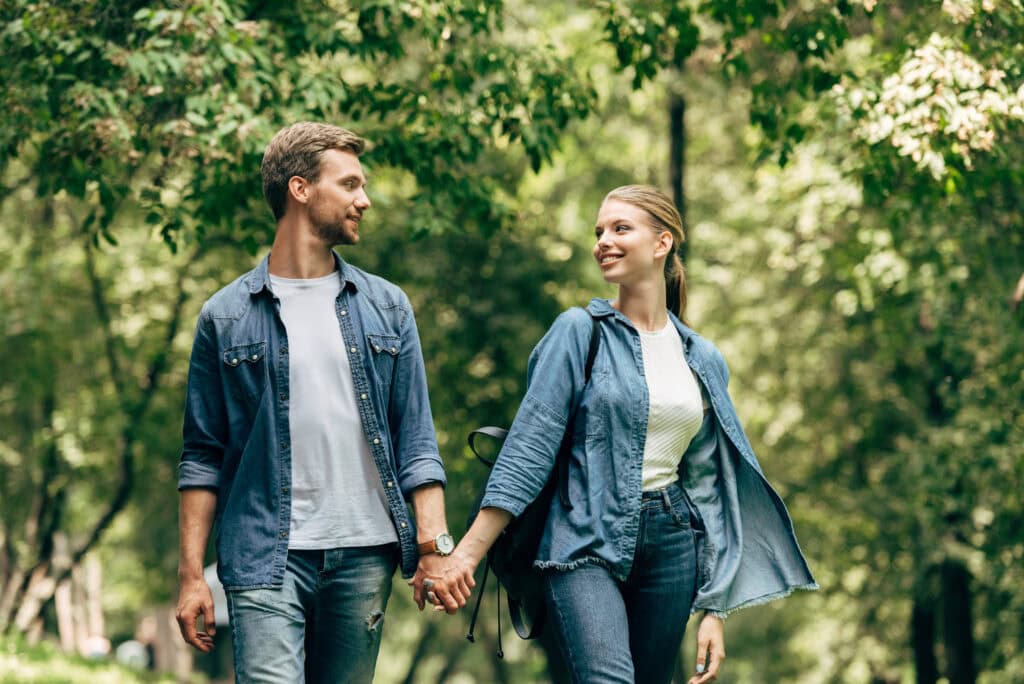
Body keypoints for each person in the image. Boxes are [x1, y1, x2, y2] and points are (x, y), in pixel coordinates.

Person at [428, 185, 818, 683]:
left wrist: (714, 608)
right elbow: (528, 448)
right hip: (582, 537)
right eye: (599, 231)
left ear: (662, 243)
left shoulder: (701, 357)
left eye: (620, 228)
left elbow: (710, 488)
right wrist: (466, 554)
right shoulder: (578, 331)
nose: (603, 242)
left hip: (674, 543)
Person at [175, 122, 457, 683]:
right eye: (350, 184)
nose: (364, 199)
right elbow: (201, 457)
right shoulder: (225, 317)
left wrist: (434, 547)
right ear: (300, 189)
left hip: (364, 553)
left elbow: (416, 439)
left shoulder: (387, 307)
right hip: (263, 555)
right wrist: (189, 576)